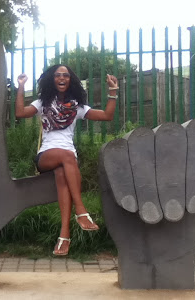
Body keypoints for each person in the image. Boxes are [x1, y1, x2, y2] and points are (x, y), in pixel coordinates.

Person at [15, 64, 118, 256]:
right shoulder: (42, 103)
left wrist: (113, 91)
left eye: (66, 75)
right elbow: (20, 113)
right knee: (68, 155)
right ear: (51, 79)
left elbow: (107, 116)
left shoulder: (76, 107)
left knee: (64, 172)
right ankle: (81, 210)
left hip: (67, 162)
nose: (62, 78)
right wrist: (21, 86)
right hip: (46, 156)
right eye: (57, 75)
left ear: (70, 80)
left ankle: (64, 236)